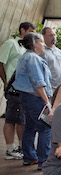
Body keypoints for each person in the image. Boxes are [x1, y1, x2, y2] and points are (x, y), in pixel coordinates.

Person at [12, 32, 52, 169]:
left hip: (26, 97)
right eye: (41, 41)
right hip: (36, 98)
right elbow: (38, 83)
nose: (43, 44)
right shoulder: (33, 59)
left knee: (30, 127)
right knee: (45, 128)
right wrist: (47, 102)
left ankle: (29, 157)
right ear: (34, 44)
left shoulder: (25, 57)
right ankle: (44, 161)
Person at [0, 22, 35, 160]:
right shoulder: (11, 44)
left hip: (24, 89)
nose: (32, 34)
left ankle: (21, 147)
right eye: (30, 31)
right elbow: (1, 62)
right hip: (14, 89)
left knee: (22, 119)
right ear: (22, 30)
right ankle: (10, 149)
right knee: (11, 119)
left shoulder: (26, 48)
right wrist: (6, 82)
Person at [40, 27, 61, 93]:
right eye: (50, 35)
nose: (53, 37)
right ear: (43, 36)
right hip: (49, 88)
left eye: (54, 35)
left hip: (60, 88)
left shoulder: (59, 52)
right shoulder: (41, 52)